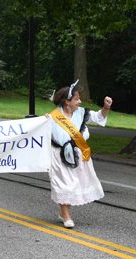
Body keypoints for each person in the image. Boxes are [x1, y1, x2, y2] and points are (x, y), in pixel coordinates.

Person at [46, 80, 112, 228]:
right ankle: (67, 216)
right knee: (64, 183)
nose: (80, 101)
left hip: (78, 155)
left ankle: (63, 213)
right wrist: (43, 121)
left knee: (74, 184)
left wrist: (106, 107)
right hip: (59, 155)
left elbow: (98, 117)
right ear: (66, 101)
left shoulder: (81, 113)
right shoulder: (53, 117)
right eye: (76, 99)